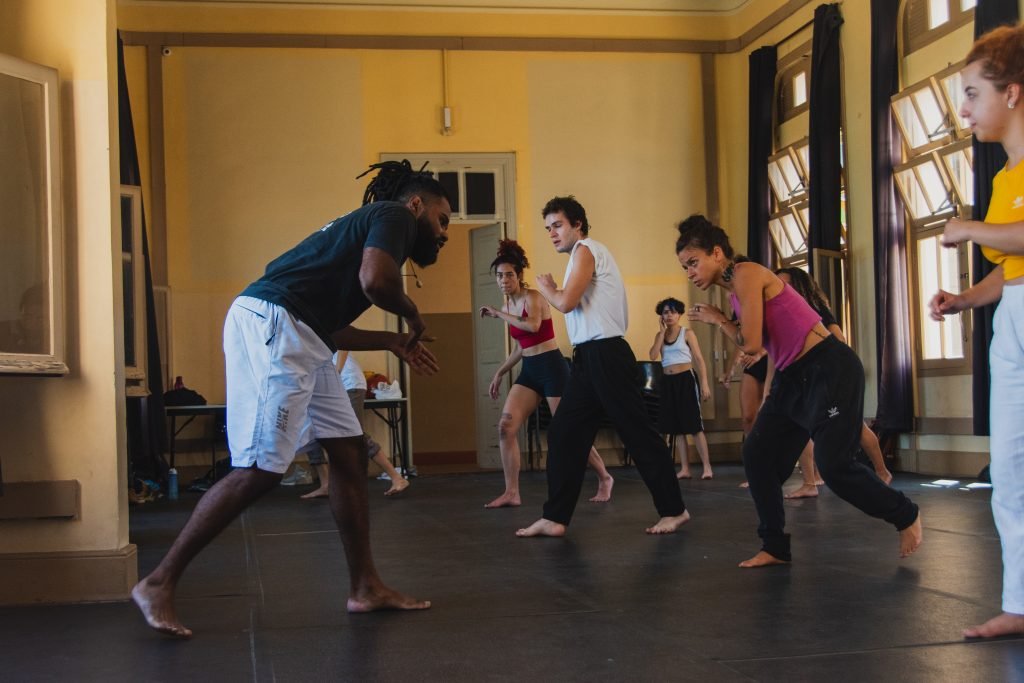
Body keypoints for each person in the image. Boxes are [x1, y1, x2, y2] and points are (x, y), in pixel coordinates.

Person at [132, 160, 450, 638]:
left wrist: (388, 342)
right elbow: (376, 283)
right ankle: (159, 581)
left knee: (346, 451)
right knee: (261, 468)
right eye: (443, 220)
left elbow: (329, 323)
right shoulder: (395, 216)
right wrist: (413, 318)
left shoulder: (364, 230)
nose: (444, 233)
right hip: (276, 326)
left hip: (303, 333)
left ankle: (365, 587)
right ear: (417, 204)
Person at [678, 214, 922, 567]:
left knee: (834, 467)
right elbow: (769, 346)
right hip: (793, 377)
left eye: (693, 263)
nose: (690, 272)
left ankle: (906, 514)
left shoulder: (746, 273)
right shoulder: (735, 293)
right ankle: (774, 545)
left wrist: (719, 321)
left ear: (717, 253)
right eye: (685, 267)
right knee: (757, 454)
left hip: (829, 368)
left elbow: (750, 343)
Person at [516, 196, 689, 537]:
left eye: (558, 225)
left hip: (607, 355)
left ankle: (674, 510)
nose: (552, 233)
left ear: (577, 224)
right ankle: (555, 517)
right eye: (548, 227)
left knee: (636, 432)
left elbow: (566, 302)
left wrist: (547, 289)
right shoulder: (579, 256)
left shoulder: (586, 249)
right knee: (565, 433)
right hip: (587, 359)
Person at [930, 25, 1024, 639]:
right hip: (1013, 319)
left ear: (1012, 93)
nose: (963, 109)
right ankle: (1020, 602)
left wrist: (967, 230)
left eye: (971, 94)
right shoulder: (1002, 181)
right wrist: (965, 299)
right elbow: (1010, 268)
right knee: (1011, 469)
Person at [479, 239, 614, 508]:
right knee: (506, 426)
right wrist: (500, 372)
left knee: (570, 431)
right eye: (499, 276)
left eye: (508, 275)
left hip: (552, 367)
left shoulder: (534, 298)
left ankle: (604, 476)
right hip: (529, 370)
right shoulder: (507, 307)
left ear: (518, 276)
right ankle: (512, 492)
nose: (504, 280)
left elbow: (532, 326)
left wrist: (496, 313)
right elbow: (521, 346)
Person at [774, 267, 893, 499]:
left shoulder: (815, 310)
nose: (780, 289)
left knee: (855, 426)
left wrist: (825, 365)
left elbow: (839, 339)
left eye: (784, 284)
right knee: (816, 426)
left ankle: (881, 472)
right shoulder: (786, 313)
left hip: (832, 375)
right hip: (812, 377)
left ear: (798, 286)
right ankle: (811, 481)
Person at [299, 351, 409, 499]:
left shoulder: (324, 331)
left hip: (349, 384)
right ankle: (326, 484)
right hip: (326, 388)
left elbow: (343, 346)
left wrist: (336, 373)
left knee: (355, 435)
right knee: (312, 429)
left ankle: (397, 478)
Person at [648, 297, 713, 480]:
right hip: (668, 382)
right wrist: (660, 335)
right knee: (676, 428)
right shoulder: (659, 336)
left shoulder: (687, 333)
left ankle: (707, 467)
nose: (669, 315)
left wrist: (705, 383)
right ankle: (685, 468)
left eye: (673, 312)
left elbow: (699, 359)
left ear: (679, 314)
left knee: (694, 425)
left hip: (686, 380)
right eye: (666, 312)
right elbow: (653, 356)